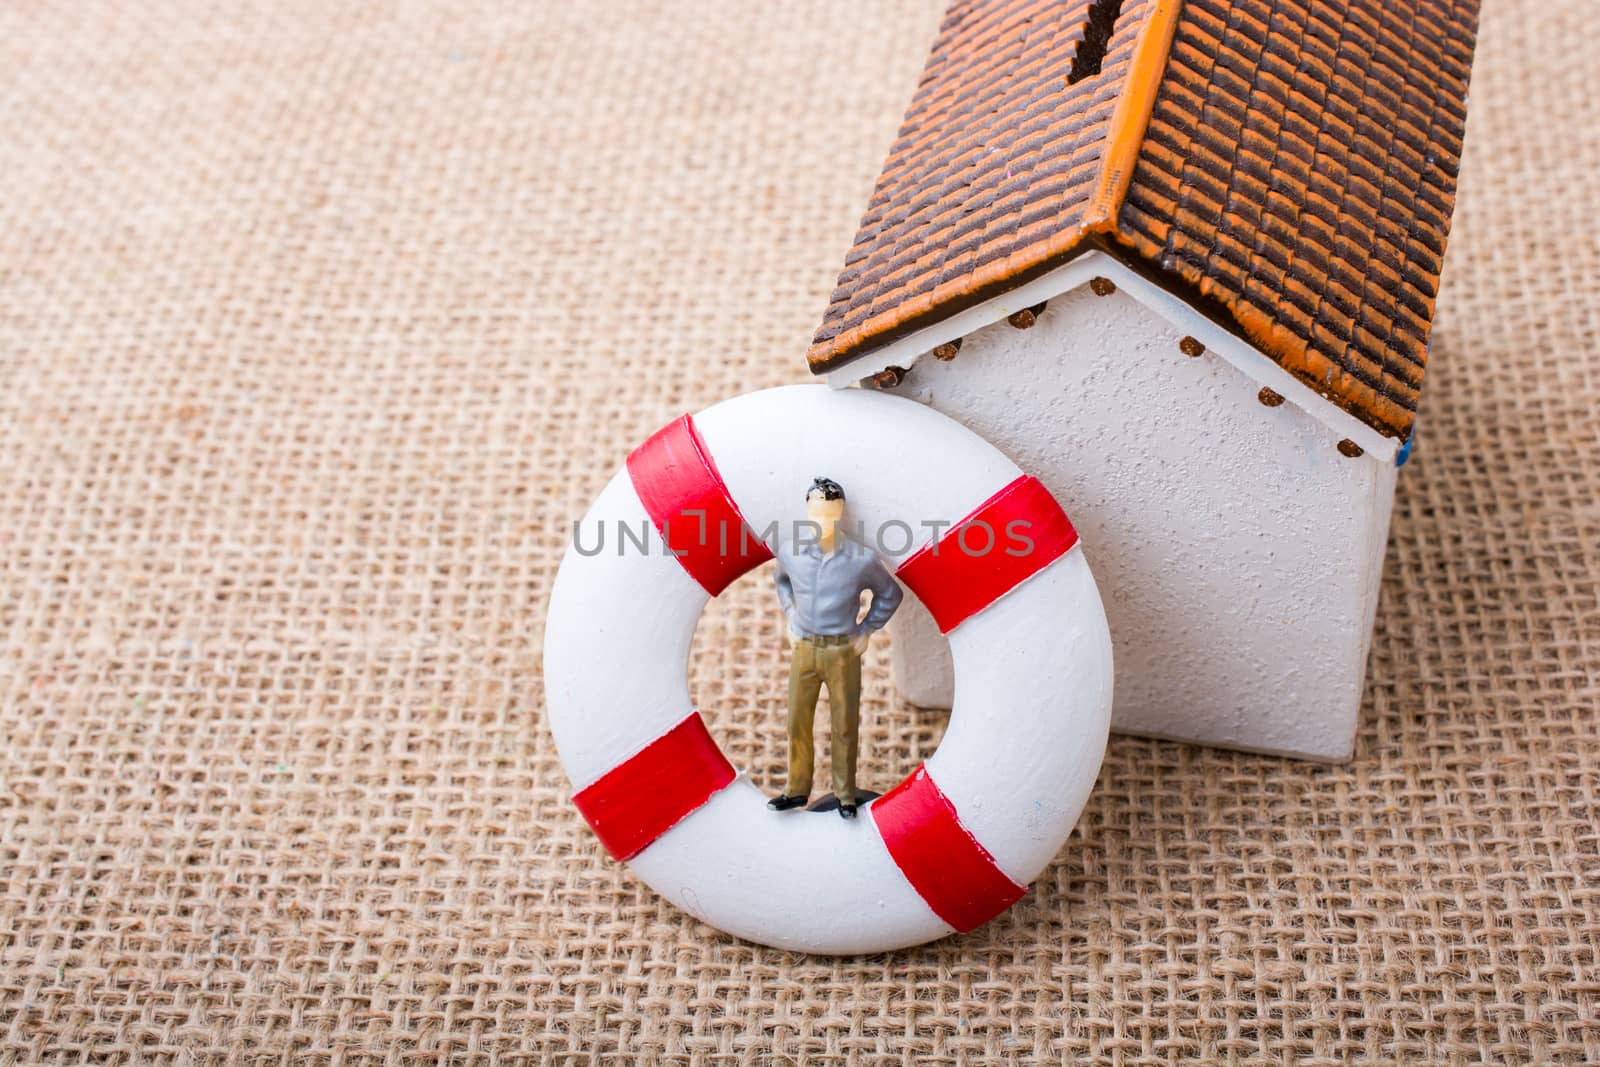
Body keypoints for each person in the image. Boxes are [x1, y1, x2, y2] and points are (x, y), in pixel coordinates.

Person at [767, 477, 902, 819]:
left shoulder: (861, 559)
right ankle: (796, 789)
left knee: (844, 724)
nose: (821, 522)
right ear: (808, 513)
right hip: (805, 648)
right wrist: (791, 616)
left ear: (839, 513)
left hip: (842, 650)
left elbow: (890, 594)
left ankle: (845, 793)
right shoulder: (791, 551)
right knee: (798, 719)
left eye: (828, 514)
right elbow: (781, 581)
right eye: (816, 514)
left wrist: (867, 630)